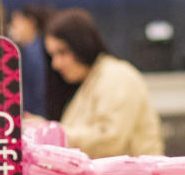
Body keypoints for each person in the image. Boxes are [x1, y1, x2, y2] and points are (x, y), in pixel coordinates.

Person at [43, 8, 163, 158]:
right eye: (53, 55)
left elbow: (110, 140)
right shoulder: (91, 82)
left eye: (62, 52)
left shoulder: (116, 75)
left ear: (81, 44)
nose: (56, 64)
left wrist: (53, 133)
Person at [8, 4, 50, 117]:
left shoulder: (34, 51)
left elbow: (37, 93)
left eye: (15, 24)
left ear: (30, 22)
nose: (12, 29)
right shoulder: (31, 49)